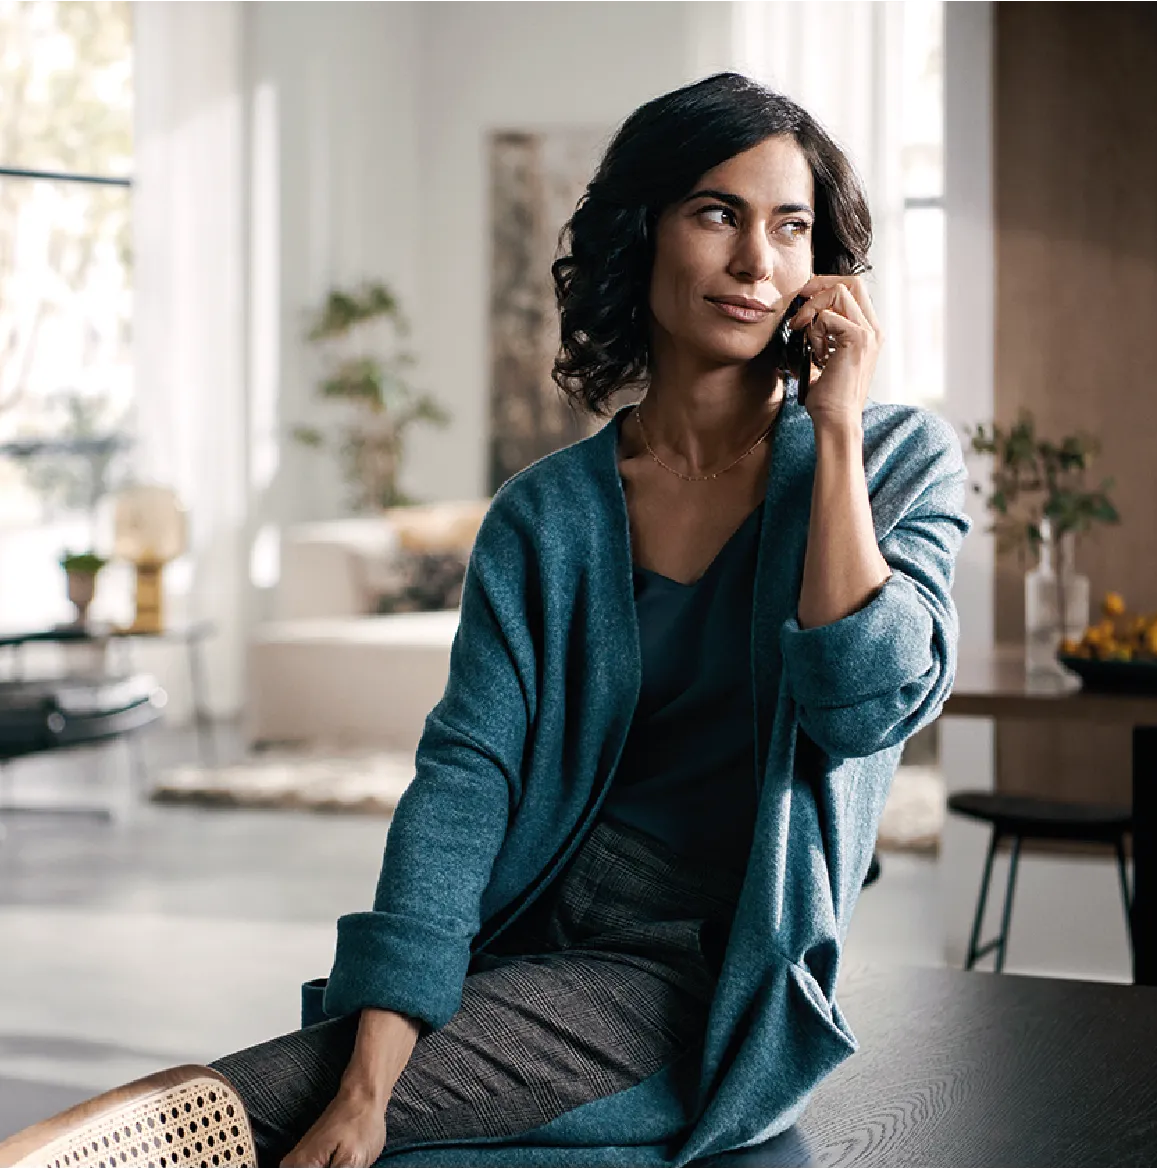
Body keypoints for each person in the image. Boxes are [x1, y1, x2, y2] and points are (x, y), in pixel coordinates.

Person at [212, 71, 970, 1168]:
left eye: (791, 228)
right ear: (642, 232)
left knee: (240, 1106)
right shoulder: (544, 515)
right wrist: (371, 1076)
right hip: (521, 941)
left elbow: (862, 702)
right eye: (718, 213)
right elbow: (465, 780)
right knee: (296, 1101)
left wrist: (838, 426)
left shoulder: (895, 462)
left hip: (700, 979)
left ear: (825, 267)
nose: (757, 261)